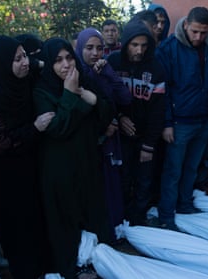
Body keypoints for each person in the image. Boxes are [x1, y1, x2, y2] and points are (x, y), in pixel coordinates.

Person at [33, 37, 114, 279]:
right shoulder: (41, 91)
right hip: (60, 168)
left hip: (87, 161)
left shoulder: (85, 80)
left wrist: (91, 99)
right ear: (49, 64)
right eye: (58, 61)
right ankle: (73, 266)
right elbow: (58, 128)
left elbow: (107, 114)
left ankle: (95, 259)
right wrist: (70, 95)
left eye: (69, 57)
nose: (66, 65)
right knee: (66, 220)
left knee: (92, 212)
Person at [0, 35, 54, 279]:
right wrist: (34, 128)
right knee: (18, 226)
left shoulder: (21, 82)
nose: (25, 63)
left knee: (36, 219)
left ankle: (44, 266)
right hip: (7, 176)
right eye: (17, 59)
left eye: (25, 56)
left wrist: (37, 62)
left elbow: (41, 62)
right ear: (1, 63)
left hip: (28, 164)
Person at [156, 6, 208, 230]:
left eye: (203, 33)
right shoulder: (168, 49)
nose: (198, 37)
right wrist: (167, 123)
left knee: (191, 168)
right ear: (186, 25)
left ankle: (185, 206)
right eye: (195, 31)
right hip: (178, 122)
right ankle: (166, 216)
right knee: (173, 171)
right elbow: (162, 90)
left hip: (203, 120)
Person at [75, 27, 132, 240]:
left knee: (112, 185)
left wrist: (109, 75)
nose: (95, 53)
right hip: (90, 144)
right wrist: (103, 127)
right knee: (95, 189)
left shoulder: (104, 71)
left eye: (99, 48)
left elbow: (125, 99)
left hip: (110, 142)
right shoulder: (76, 74)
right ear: (80, 48)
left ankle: (113, 229)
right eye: (89, 48)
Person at [107, 21, 166, 226]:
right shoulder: (113, 62)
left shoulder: (156, 68)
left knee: (144, 181)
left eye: (144, 45)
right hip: (119, 138)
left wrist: (149, 144)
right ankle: (120, 220)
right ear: (125, 44)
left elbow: (159, 111)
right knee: (122, 180)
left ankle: (138, 223)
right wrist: (119, 117)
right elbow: (105, 98)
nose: (139, 50)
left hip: (145, 138)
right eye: (134, 45)